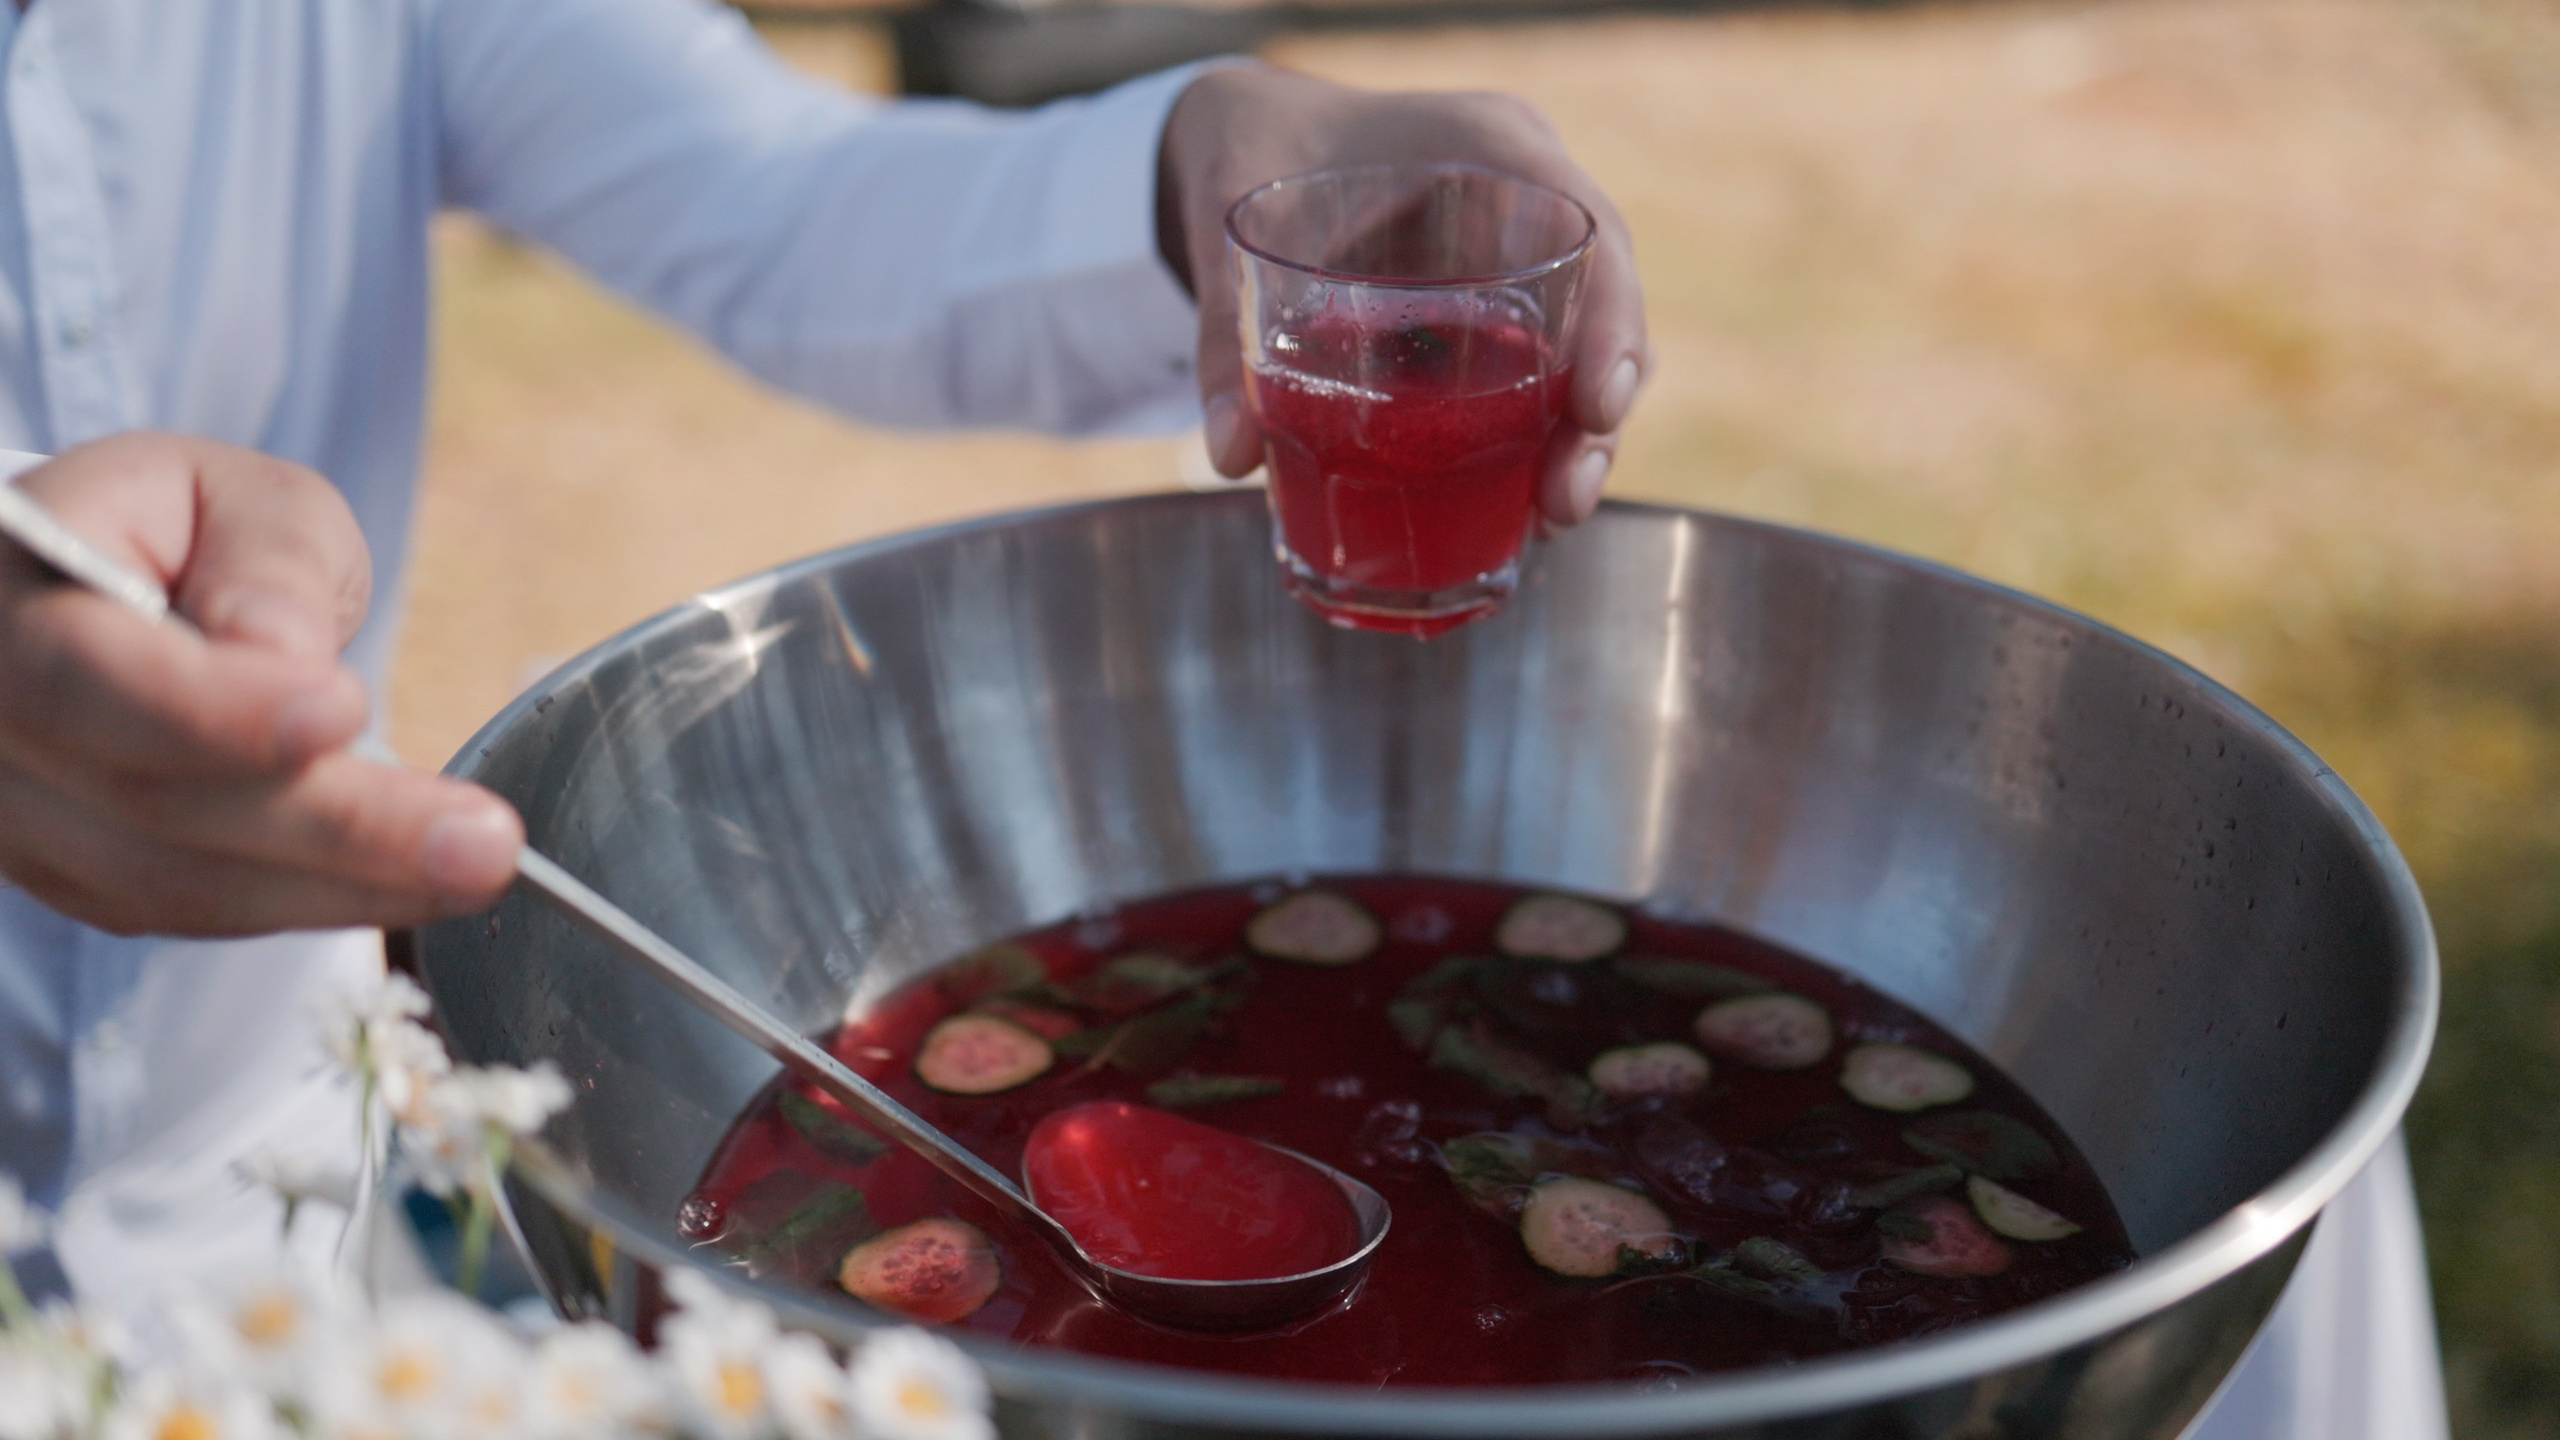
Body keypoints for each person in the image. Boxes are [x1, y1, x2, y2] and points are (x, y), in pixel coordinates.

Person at [0, 1, 2439, 1435]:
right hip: (296, 1273)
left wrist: (1209, 156)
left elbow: (757, 191)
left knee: (2319, 1221)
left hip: (278, 1248)